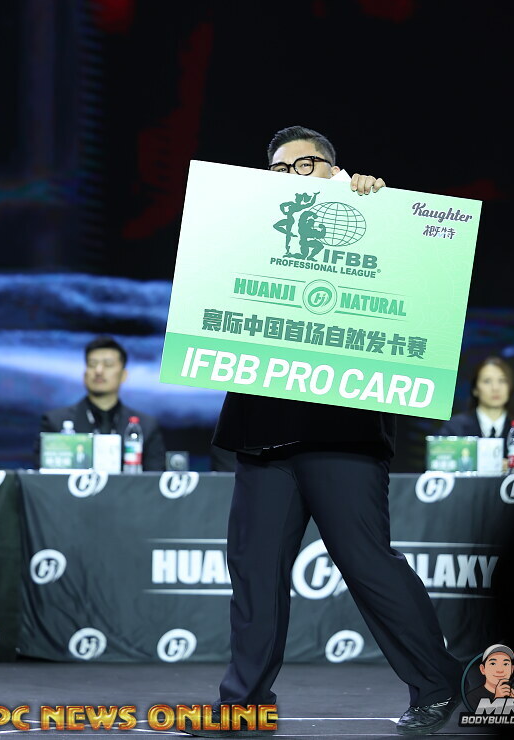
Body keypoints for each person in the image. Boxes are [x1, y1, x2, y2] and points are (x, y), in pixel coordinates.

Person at [188, 126, 463, 738]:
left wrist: (375, 201)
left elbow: (415, 265)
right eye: (278, 170)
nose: (291, 176)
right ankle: (244, 705)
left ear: (332, 168)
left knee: (368, 565)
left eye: (304, 164)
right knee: (254, 574)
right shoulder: (247, 228)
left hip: (343, 431)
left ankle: (438, 685)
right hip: (263, 432)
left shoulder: (368, 212)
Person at [38, 336, 165, 471]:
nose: (98, 371)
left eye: (108, 364)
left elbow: (154, 480)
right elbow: (41, 479)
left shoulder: (145, 427)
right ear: (85, 374)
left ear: (123, 375)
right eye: (92, 364)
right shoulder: (55, 423)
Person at [433, 355, 514, 474]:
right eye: (487, 381)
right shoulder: (455, 427)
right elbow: (435, 460)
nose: (495, 388)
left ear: (510, 387)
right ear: (475, 389)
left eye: (502, 381)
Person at [465, 644, 514, 711]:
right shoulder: (472, 697)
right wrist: (497, 700)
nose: (500, 670)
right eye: (493, 663)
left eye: (505, 664)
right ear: (483, 669)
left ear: (512, 669)